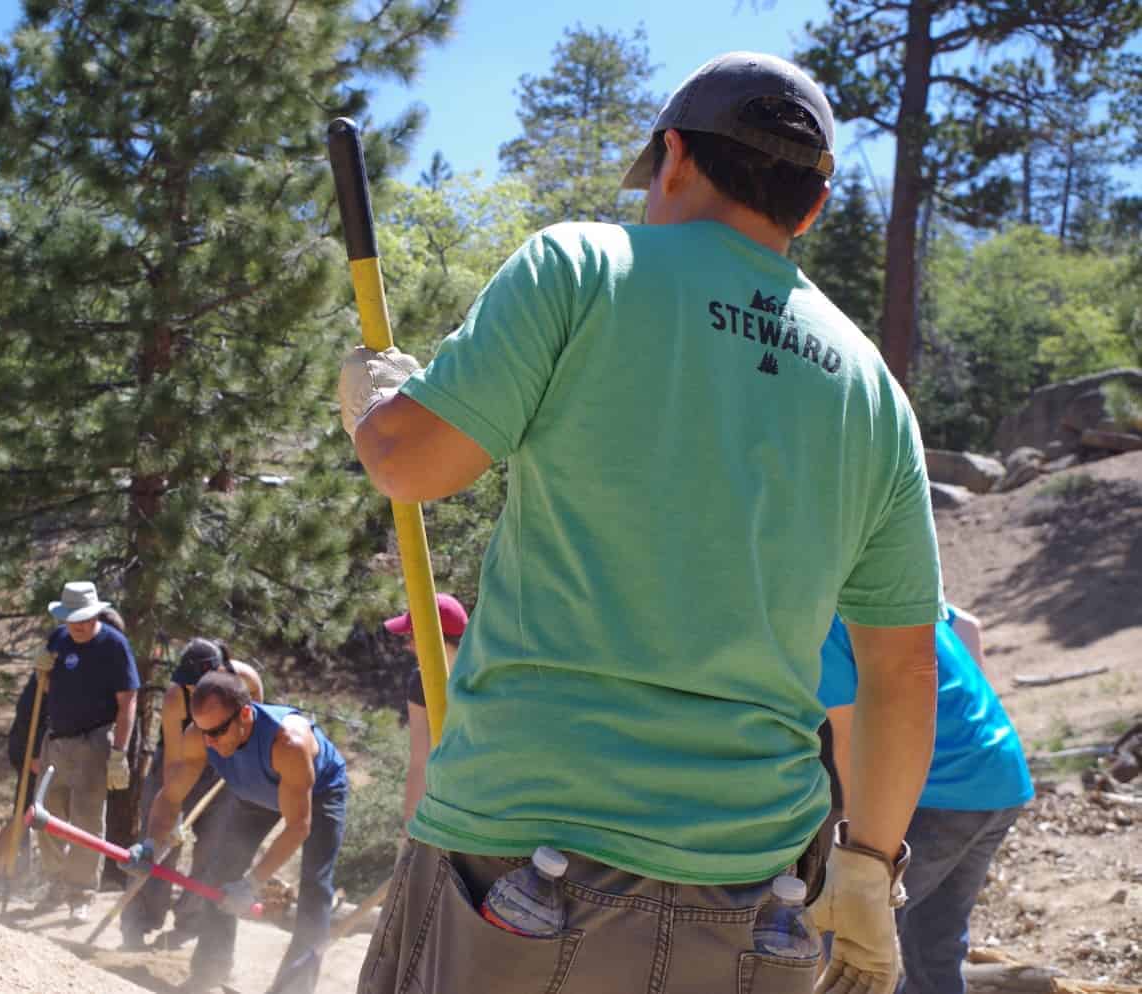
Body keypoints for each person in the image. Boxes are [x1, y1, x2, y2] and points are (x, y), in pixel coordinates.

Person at [339, 51, 943, 994]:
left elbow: (412, 462)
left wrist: (376, 402)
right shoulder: (873, 390)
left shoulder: (581, 266)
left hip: (522, 861)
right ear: (810, 208)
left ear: (673, 157)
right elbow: (902, 667)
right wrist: (868, 867)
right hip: (760, 894)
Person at [820, 605, 1033, 994]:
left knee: (847, 934)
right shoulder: (888, 587)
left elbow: (853, 741)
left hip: (940, 792)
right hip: (1000, 771)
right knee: (934, 940)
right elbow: (968, 624)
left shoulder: (823, 618)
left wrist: (855, 852)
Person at [130, 671, 348, 994]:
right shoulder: (202, 735)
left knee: (315, 889)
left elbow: (299, 826)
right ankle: (210, 973)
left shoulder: (288, 743)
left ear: (245, 714)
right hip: (256, 790)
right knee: (220, 872)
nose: (210, 742)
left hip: (317, 792)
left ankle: (292, 989)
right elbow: (171, 796)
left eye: (217, 731)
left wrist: (252, 884)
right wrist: (149, 845)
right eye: (203, 731)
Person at [121, 636, 265, 947]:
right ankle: (140, 919)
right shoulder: (176, 697)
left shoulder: (244, 680)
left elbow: (257, 716)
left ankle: (190, 922)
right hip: (178, 762)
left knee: (214, 846)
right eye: (190, 689)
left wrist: (241, 758)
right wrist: (172, 809)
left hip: (221, 766)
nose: (194, 694)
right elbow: (175, 763)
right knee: (157, 843)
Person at [33, 581, 139, 920]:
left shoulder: (114, 645)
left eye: (83, 618)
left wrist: (120, 752)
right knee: (45, 812)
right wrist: (41, 673)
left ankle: (80, 892)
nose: (77, 625)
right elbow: (47, 690)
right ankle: (56, 881)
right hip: (57, 738)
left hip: (94, 740)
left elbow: (128, 702)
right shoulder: (59, 641)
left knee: (86, 819)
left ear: (95, 613)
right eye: (71, 619)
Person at [382, 592, 467, 823]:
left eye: (413, 635)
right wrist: (410, 829)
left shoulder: (490, 677)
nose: (409, 645)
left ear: (433, 637)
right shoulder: (420, 682)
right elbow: (419, 761)